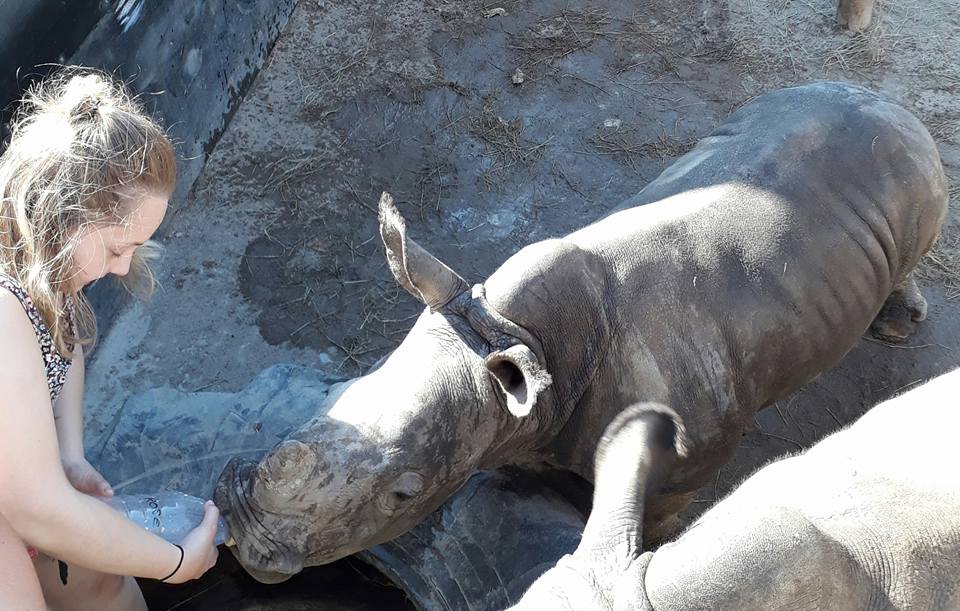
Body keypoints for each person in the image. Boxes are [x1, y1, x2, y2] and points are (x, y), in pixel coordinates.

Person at [0, 67, 220, 610]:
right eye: (119, 247)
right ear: (67, 211)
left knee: (105, 586)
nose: (124, 268)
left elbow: (62, 344)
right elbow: (38, 510)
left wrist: (70, 454)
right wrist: (172, 563)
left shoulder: (40, 256)